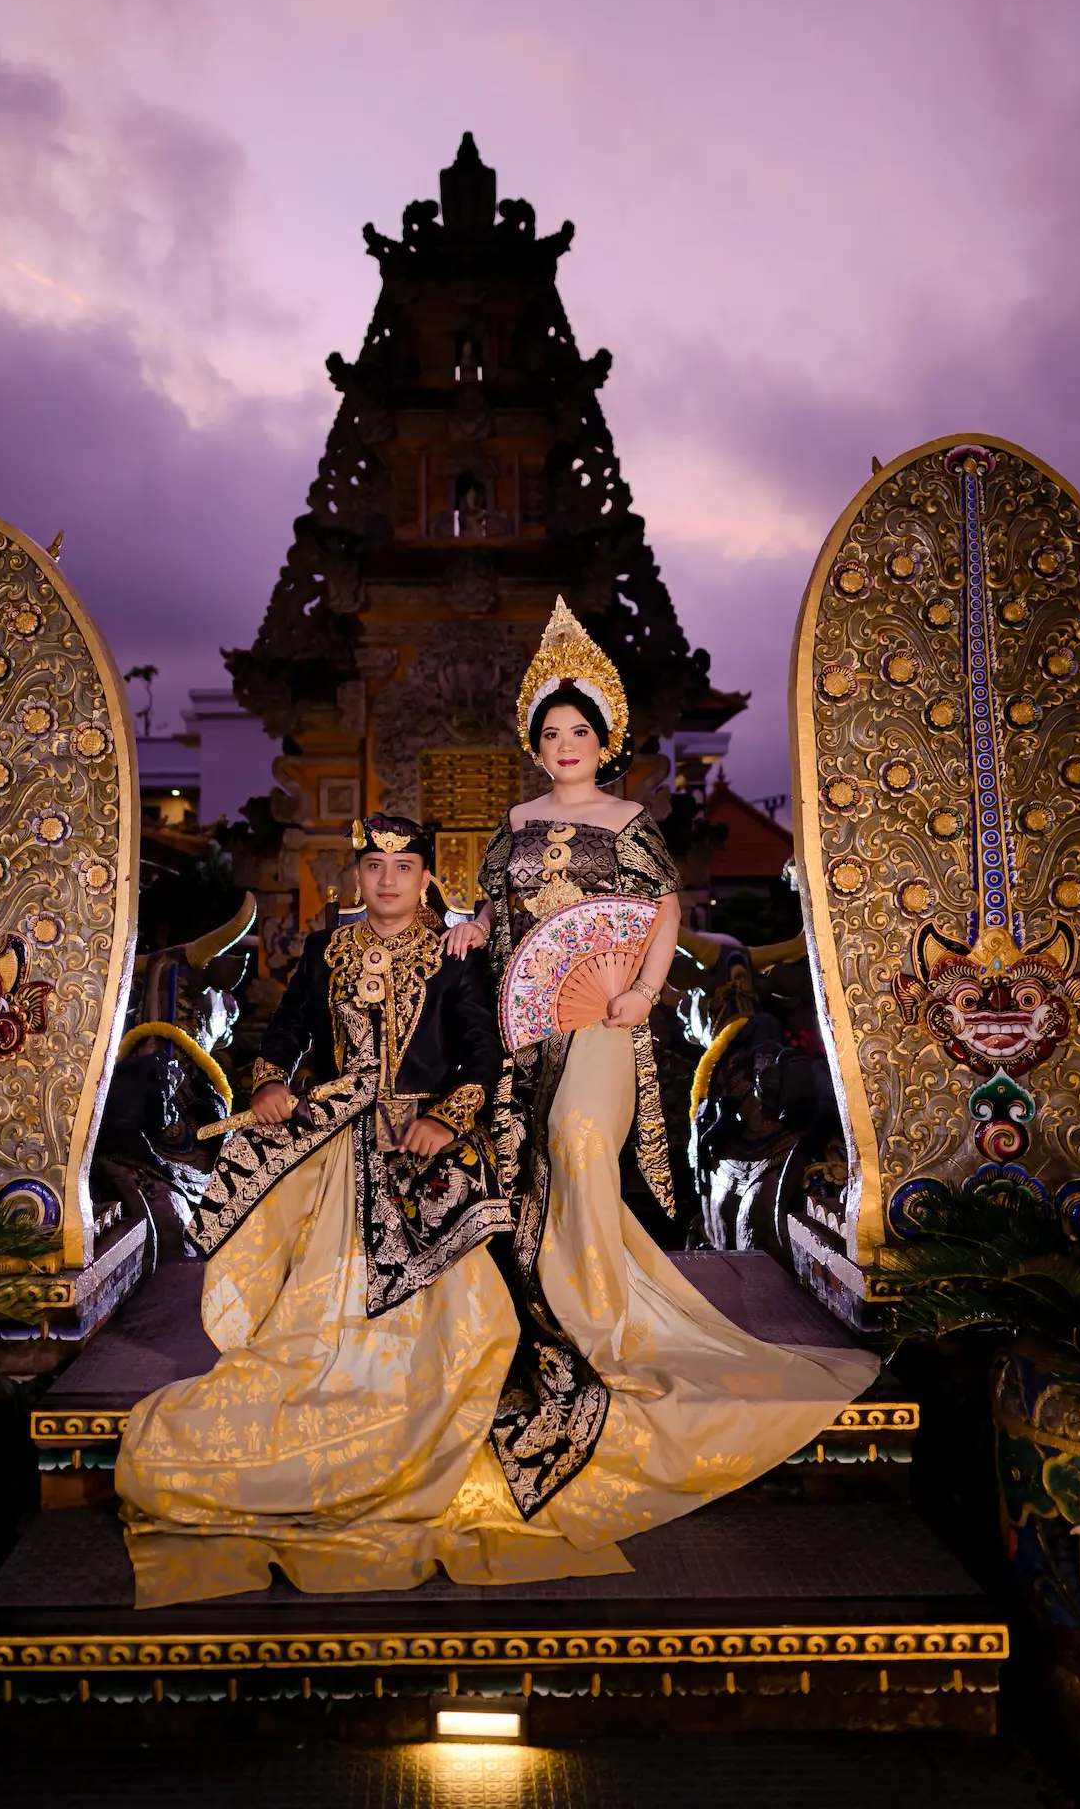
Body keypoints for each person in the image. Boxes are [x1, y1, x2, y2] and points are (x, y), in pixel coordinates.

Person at [438, 597, 879, 1549]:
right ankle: (553, 1306)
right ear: (535, 744)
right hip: (529, 1022)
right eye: (550, 734)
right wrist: (469, 925)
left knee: (581, 1142)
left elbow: (664, 908)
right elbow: (494, 910)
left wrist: (641, 988)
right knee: (531, 1168)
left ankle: (601, 1318)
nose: (564, 746)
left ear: (605, 742)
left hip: (603, 1015)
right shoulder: (512, 824)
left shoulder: (631, 820)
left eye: (579, 732)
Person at [117, 815, 522, 1605]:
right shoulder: (325, 949)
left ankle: (427, 1396)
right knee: (309, 1281)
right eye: (374, 867)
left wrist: (448, 1117)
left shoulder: (456, 953)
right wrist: (272, 1079)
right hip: (339, 1133)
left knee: (470, 1302)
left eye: (404, 867)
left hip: (424, 1133)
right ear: (357, 876)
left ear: (427, 878)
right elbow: (290, 1028)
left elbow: (483, 1052)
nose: (388, 880)